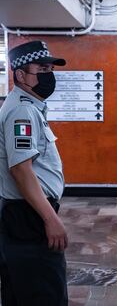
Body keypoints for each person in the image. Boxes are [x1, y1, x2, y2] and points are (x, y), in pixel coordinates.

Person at [0, 41, 68, 305]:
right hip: (29, 217)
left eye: (50, 68)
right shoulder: (23, 110)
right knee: (44, 292)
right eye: (41, 68)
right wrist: (50, 219)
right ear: (20, 75)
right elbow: (20, 170)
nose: (48, 75)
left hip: (24, 213)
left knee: (22, 291)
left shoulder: (28, 106)